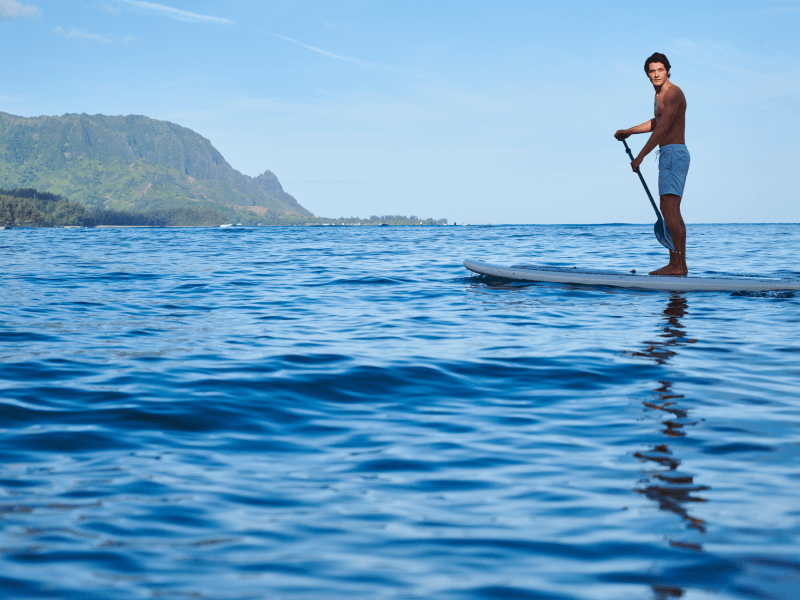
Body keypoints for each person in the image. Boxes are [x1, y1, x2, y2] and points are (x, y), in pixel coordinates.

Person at [615, 52, 689, 276]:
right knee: (672, 210)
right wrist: (629, 131)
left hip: (674, 154)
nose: (656, 74)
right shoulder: (660, 95)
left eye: (660, 70)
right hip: (669, 154)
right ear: (647, 74)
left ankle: (677, 265)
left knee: (668, 208)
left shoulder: (673, 94)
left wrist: (640, 156)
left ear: (667, 70)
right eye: (651, 71)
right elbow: (657, 121)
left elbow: (663, 128)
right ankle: (680, 265)